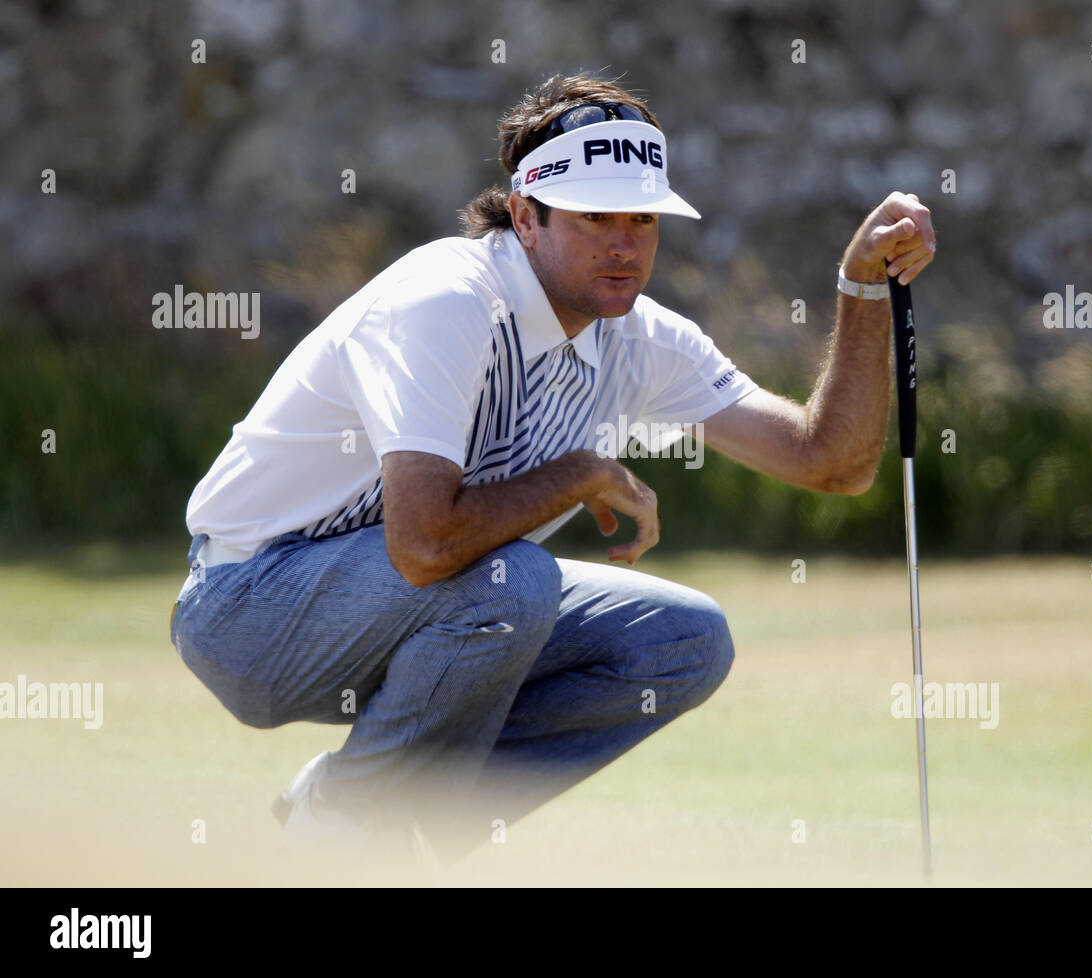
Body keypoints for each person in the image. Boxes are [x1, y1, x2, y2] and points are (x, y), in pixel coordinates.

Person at [169, 71, 936, 862]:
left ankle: (390, 819)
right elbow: (426, 545)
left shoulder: (639, 337)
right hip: (246, 608)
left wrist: (859, 290)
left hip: (412, 612)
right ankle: (351, 826)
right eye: (594, 215)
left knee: (685, 641)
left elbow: (830, 463)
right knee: (517, 581)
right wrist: (578, 474)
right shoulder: (449, 299)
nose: (624, 242)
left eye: (642, 218)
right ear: (526, 216)